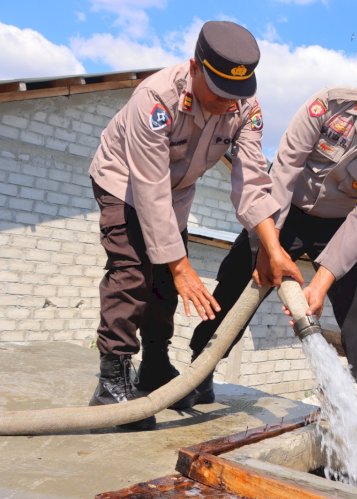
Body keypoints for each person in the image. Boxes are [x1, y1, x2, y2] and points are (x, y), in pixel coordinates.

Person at [188, 55, 357, 435]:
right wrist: (270, 248)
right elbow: (283, 172)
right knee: (238, 277)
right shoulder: (328, 106)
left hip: (340, 224)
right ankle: (201, 367)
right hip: (286, 210)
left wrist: (321, 282)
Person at [87, 20, 302, 431]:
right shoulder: (155, 98)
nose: (228, 103)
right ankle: (111, 381)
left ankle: (153, 367)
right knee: (132, 273)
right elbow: (148, 188)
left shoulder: (246, 109)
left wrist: (273, 249)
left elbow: (253, 182)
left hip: (174, 195)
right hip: (124, 183)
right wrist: (181, 265)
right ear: (195, 67)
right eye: (220, 92)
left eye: (236, 94)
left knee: (164, 287)